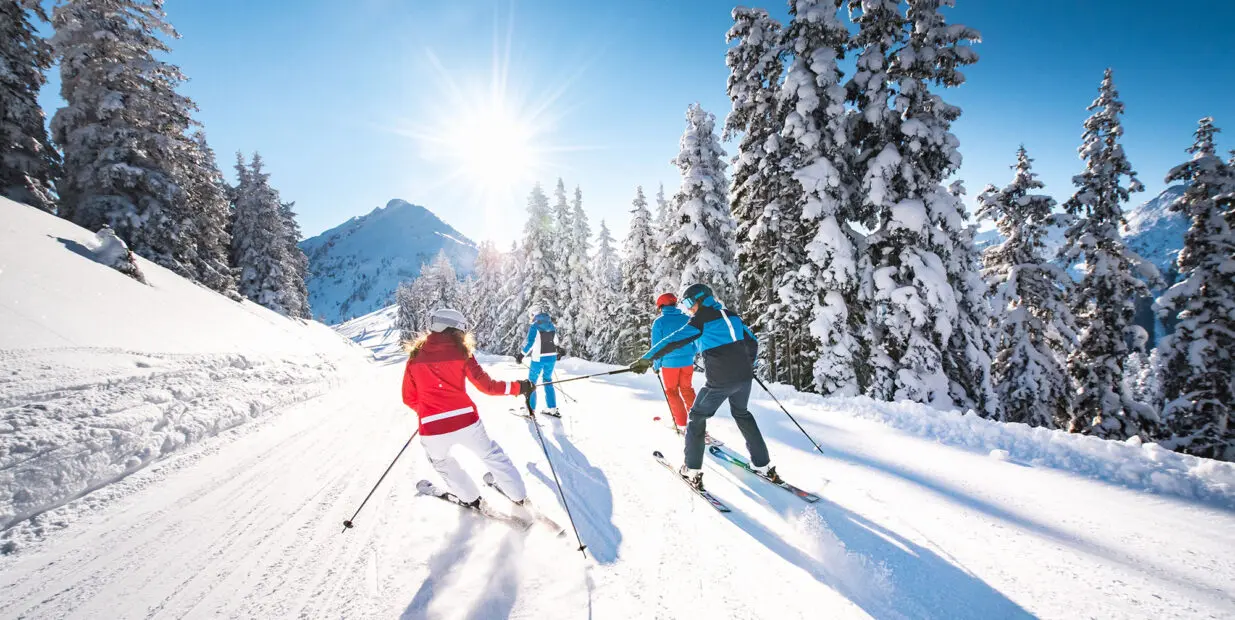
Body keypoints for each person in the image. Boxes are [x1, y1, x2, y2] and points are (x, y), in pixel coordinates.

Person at [629, 284, 780, 490]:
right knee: (742, 413)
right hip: (744, 378)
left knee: (697, 417)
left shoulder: (700, 321)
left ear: (699, 300)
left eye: (689, 303)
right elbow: (752, 341)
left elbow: (672, 340)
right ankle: (763, 464)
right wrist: (748, 363)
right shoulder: (731, 315)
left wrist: (647, 359)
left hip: (720, 380)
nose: (689, 308)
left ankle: (692, 470)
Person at [402, 308, 535, 510]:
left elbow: (408, 397)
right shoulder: (462, 353)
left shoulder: (415, 358)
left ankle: (471, 499)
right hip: (466, 421)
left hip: (432, 428)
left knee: (442, 461)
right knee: (492, 455)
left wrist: (428, 411)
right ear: (455, 329)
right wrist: (519, 387)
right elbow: (488, 387)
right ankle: (519, 498)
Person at [651, 293, 696, 432]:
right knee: (687, 390)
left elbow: (657, 346)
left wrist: (656, 364)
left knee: (672, 391)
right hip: (687, 362)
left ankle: (681, 423)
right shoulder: (687, 319)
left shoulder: (659, 322)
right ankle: (697, 422)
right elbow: (695, 339)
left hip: (670, 365)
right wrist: (690, 354)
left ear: (661, 306)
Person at [515, 307, 560, 415]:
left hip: (538, 359)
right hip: (551, 358)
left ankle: (530, 409)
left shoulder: (535, 326)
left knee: (532, 382)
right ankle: (552, 408)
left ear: (534, 315)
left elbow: (530, 343)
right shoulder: (551, 326)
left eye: (531, 315)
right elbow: (556, 341)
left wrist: (521, 355)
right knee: (548, 380)